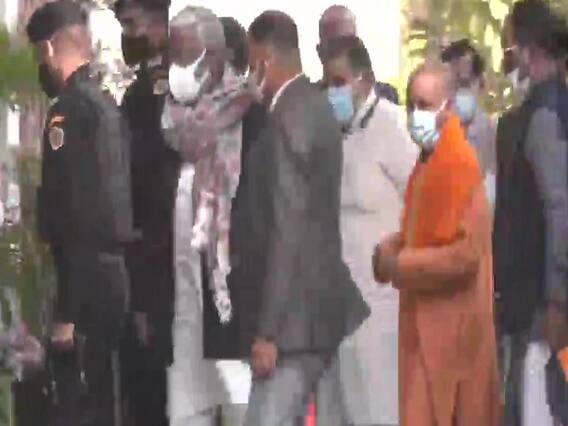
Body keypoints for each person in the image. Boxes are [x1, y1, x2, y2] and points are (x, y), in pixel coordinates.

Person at [224, 11, 369, 426]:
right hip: (313, 314)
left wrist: (269, 331)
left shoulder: (289, 118)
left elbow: (287, 229)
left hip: (294, 324)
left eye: (251, 64)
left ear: (264, 60)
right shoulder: (313, 106)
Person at [373, 60, 501, 426]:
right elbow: (420, 232)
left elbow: (464, 256)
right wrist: (390, 250)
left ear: (449, 108)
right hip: (424, 334)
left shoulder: (459, 164)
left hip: (452, 341)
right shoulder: (428, 163)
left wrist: (401, 263)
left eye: (425, 106)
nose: (416, 115)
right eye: (411, 105)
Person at [26, 1, 134, 425]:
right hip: (112, 276)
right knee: (103, 402)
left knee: (75, 408)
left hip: (84, 282)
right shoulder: (106, 104)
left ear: (50, 49)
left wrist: (67, 312)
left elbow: (78, 213)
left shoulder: (67, 112)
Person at [161, 6, 259, 425]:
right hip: (184, 308)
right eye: (174, 57)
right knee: (187, 409)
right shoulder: (168, 118)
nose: (178, 68)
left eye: (187, 57)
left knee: (242, 406)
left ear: (215, 56)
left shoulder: (253, 114)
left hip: (234, 297)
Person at [316, 35, 417, 426]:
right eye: (327, 82)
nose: (332, 92)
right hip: (336, 301)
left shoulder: (390, 124)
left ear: (365, 79)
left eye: (339, 82)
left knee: (376, 408)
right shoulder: (330, 132)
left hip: (380, 304)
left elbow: (421, 199)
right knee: (336, 408)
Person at [495, 1, 568, 425]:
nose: (509, 59)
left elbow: (559, 210)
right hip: (534, 301)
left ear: (528, 49)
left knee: (539, 409)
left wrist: (557, 301)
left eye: (510, 48)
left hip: (543, 310)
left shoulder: (544, 116)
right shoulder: (544, 109)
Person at [113, 1, 175, 425]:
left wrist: (144, 295)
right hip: (151, 268)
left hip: (159, 270)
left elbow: (150, 191)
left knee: (154, 399)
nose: (126, 35)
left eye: (130, 24)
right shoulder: (142, 89)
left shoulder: (160, 91)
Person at [317, 5, 399, 104]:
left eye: (349, 42)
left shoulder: (384, 97)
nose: (343, 50)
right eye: (334, 45)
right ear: (320, 52)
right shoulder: (308, 105)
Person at [441, 39, 496, 179]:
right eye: (455, 84)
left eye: (465, 84)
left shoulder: (491, 130)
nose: (460, 93)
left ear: (480, 84)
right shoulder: (433, 129)